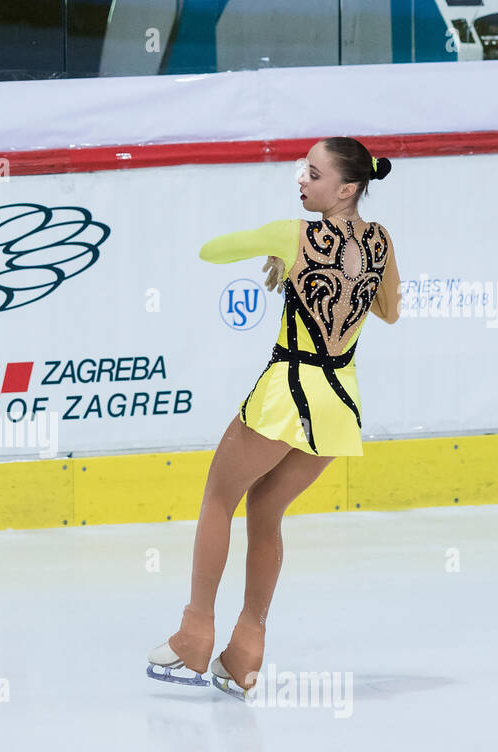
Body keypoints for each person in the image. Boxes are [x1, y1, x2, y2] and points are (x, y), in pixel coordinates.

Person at [147, 137, 401, 699]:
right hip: (338, 404)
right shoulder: (381, 240)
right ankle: (245, 652)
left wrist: (283, 251)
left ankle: (195, 633)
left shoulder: (296, 234)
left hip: (288, 392)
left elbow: (211, 251)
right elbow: (388, 311)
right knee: (267, 514)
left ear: (347, 187)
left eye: (312, 174)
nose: (301, 181)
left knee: (219, 499)